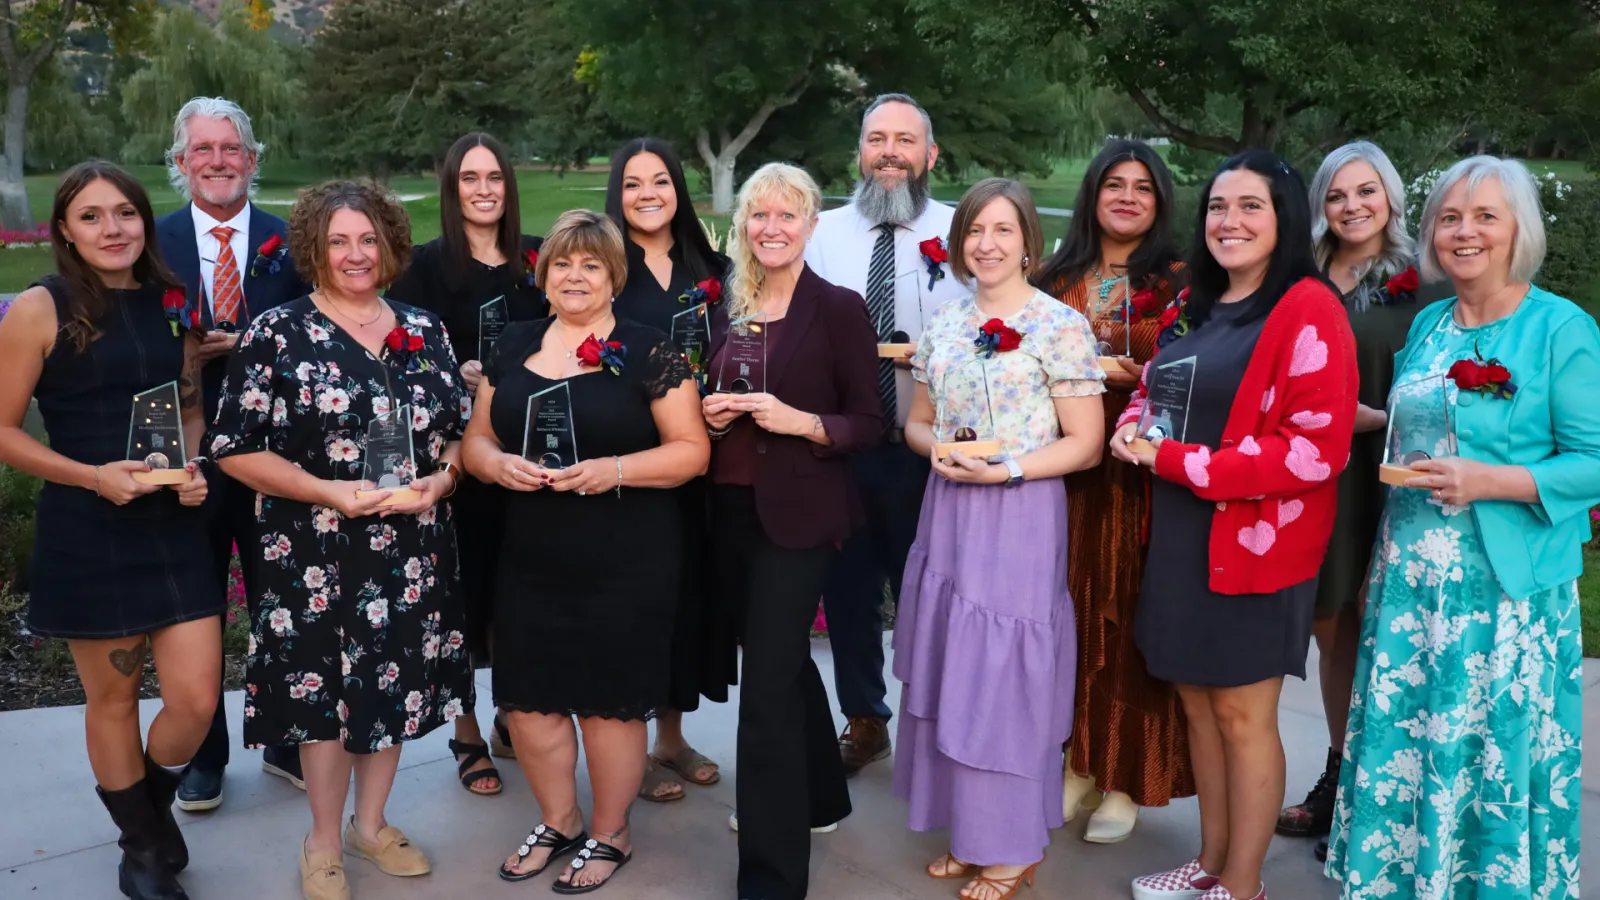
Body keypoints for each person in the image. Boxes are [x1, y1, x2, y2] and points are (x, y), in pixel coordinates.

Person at [1325, 157, 1597, 900]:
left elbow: (1593, 459)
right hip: (1409, 590)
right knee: (1408, 749)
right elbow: (1430, 423)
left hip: (1504, 599)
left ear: (1519, 232)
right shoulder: (1429, 323)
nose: (1464, 231)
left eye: (1485, 216)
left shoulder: (1558, 328)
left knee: (1488, 758)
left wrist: (1493, 481)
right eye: (1450, 217)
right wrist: (1374, 424)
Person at [208, 180, 476, 900]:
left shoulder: (424, 329)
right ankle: (323, 840)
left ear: (389, 244)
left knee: (388, 686)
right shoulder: (277, 333)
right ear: (313, 251)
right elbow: (233, 446)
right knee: (320, 697)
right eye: (338, 242)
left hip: (410, 547)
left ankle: (373, 823)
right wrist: (327, 490)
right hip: (312, 550)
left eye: (368, 239)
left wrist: (443, 482)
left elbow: (458, 432)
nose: (356, 254)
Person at [1118, 151, 1358, 900]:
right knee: (1196, 701)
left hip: (1258, 542)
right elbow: (1160, 385)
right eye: (1219, 206)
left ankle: (1243, 885)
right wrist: (1135, 428)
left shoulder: (1307, 307)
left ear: (1284, 217)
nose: (1230, 221)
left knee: (1243, 713)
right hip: (1183, 536)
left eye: (1251, 206)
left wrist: (1180, 463)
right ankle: (1210, 862)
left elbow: (1317, 449)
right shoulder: (1199, 299)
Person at [462, 209, 708, 893]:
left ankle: (611, 831)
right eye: (562, 264)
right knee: (531, 700)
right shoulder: (511, 345)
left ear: (613, 278)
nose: (575, 275)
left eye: (591, 265)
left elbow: (692, 452)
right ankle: (559, 817)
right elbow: (476, 439)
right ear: (542, 277)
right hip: (532, 556)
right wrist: (493, 465)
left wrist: (616, 470)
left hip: (626, 558)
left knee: (608, 704)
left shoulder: (650, 348)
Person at [0, 161, 217, 900]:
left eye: (124, 213)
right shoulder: (40, 306)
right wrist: (95, 476)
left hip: (171, 526)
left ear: (143, 221)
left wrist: (190, 467)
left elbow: (186, 402)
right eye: (91, 216)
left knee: (195, 699)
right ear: (64, 228)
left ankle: (146, 816)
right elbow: (2, 431)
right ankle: (143, 850)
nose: (112, 228)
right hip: (87, 525)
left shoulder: (171, 302)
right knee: (115, 701)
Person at [894, 178, 1106, 900]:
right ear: (959, 243)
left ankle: (1011, 845)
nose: (987, 244)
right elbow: (916, 421)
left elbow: (1086, 444)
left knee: (1003, 675)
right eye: (975, 231)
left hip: (1018, 514)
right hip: (949, 507)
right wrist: (937, 452)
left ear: (1027, 242)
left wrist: (1008, 467)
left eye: (1002, 230)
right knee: (954, 664)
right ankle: (968, 829)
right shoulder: (945, 323)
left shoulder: (1058, 326)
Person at [702, 163, 882, 900]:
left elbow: (869, 424)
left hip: (802, 516)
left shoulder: (838, 309)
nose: (771, 228)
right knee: (776, 657)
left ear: (811, 224)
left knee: (767, 687)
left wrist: (802, 422)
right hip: (730, 508)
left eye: (788, 215)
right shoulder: (727, 308)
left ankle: (771, 878)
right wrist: (711, 411)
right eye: (759, 216)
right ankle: (823, 799)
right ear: (744, 224)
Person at [1032, 139, 1194, 844]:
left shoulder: (1183, 281)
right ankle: (1076, 762)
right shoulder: (1052, 278)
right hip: (1065, 476)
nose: (1127, 197)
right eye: (1113, 185)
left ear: (1159, 201)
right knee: (1069, 612)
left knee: (1127, 619)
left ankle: (1126, 774)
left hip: (1140, 478)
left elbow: (1196, 366)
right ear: (1092, 195)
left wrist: (1142, 374)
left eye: (1143, 188)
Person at [153, 96, 311, 811]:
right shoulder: (152, 248)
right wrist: (182, 350)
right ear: (181, 164)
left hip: (278, 458)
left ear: (251, 159)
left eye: (231, 149)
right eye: (202, 150)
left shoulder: (293, 242)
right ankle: (205, 755)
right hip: (188, 461)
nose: (217, 162)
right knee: (198, 610)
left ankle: (284, 739)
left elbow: (320, 337)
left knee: (287, 605)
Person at [804, 93, 968, 775]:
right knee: (847, 595)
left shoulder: (967, 232)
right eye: (878, 139)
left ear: (930, 155)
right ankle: (865, 719)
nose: (891, 152)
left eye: (906, 140)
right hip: (842, 451)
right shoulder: (821, 233)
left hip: (932, 455)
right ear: (861, 152)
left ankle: (941, 730)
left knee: (934, 600)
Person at [1277, 141, 1428, 860]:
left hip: (1390, 467)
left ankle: (1387, 790)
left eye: (1366, 192)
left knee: (1387, 627)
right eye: (1337, 195)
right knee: (1332, 626)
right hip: (1317, 476)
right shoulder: (1298, 277)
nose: (1352, 206)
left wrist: (1374, 419)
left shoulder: (1424, 282)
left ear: (1391, 198)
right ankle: (1340, 776)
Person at [386, 131, 546, 796]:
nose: (484, 190)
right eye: (469, 179)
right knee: (461, 595)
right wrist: (455, 371)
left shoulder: (537, 261)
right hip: (453, 459)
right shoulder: (424, 269)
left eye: (494, 178)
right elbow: (397, 356)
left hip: (529, 457)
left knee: (521, 590)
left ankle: (515, 709)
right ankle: (467, 729)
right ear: (453, 191)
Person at [602, 137, 734, 803]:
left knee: (686, 598)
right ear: (615, 194)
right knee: (633, 604)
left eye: (659, 180)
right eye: (631, 183)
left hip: (703, 461)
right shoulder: (602, 264)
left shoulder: (711, 265)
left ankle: (671, 738)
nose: (647, 193)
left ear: (679, 189)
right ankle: (628, 747)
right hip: (631, 459)